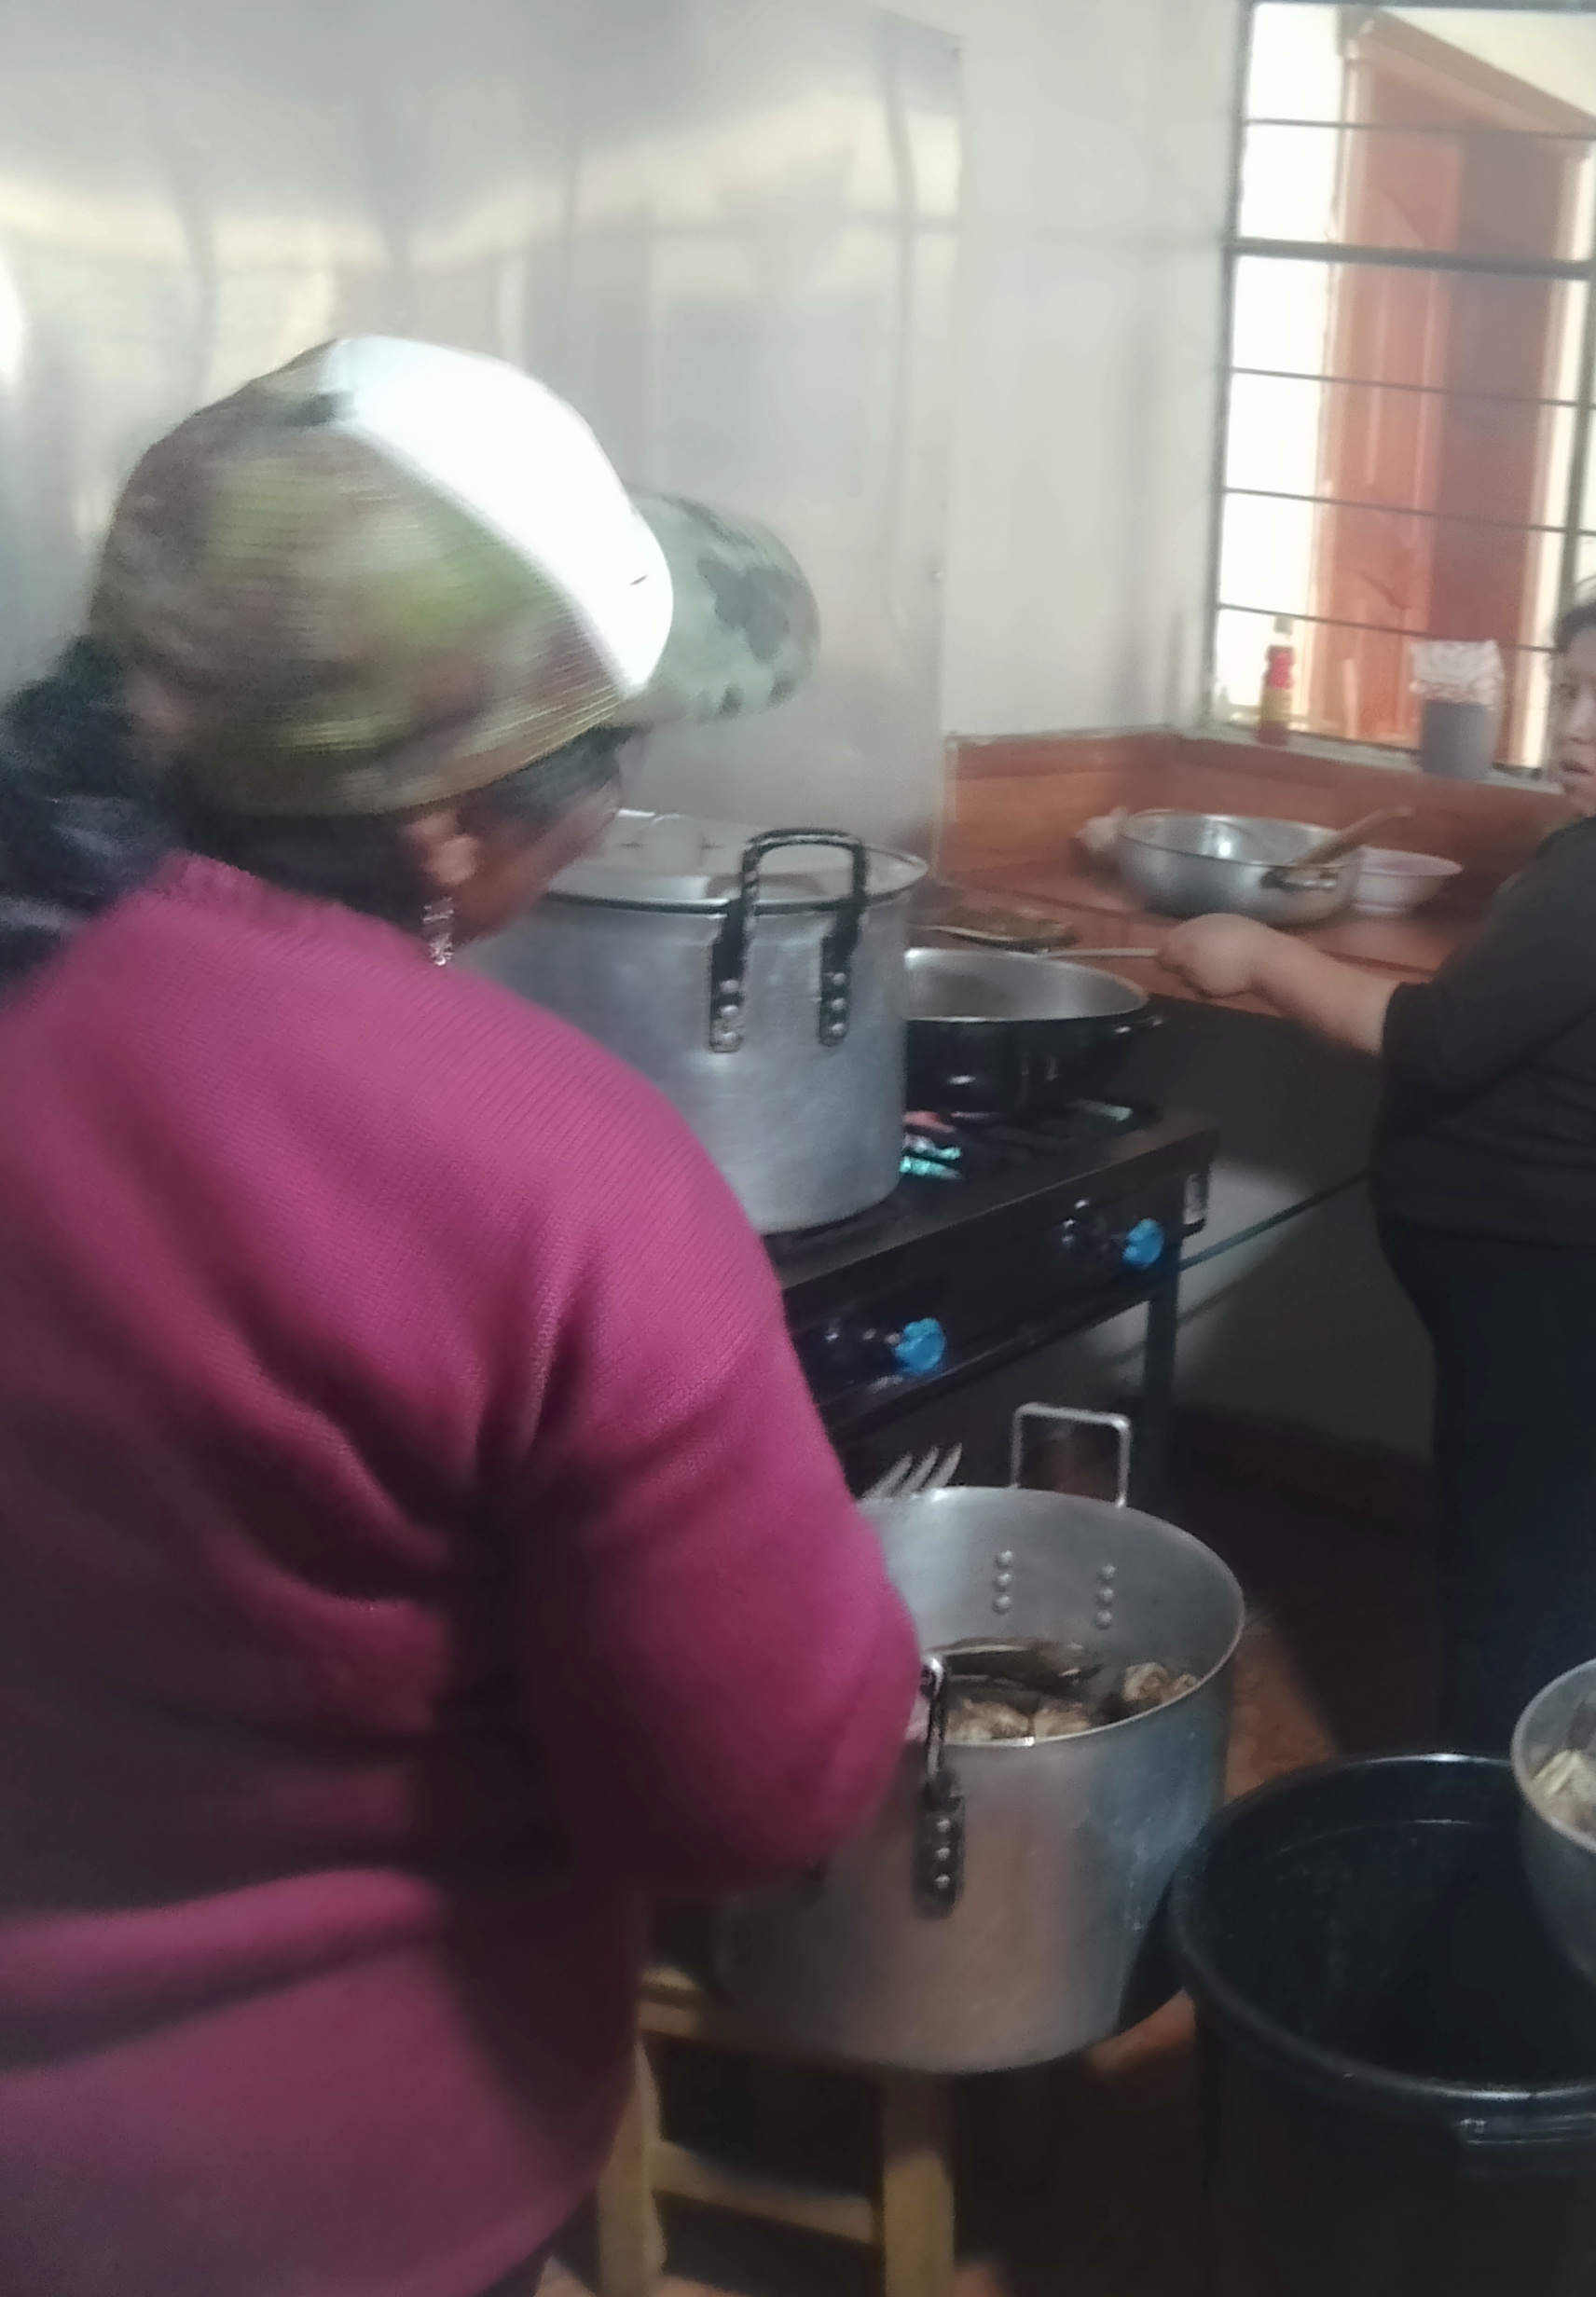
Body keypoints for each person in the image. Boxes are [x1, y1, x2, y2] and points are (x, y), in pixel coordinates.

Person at [0, 338, 921, 2297]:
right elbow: (749, 1788)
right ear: (444, 826)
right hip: (304, 2197)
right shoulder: (550, 1176)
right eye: (611, 758)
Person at [1159, 570, 1596, 1751]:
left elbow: (1436, 1037)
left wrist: (1256, 952)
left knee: (1508, 1579)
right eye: (1568, 694)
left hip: (1548, 1284)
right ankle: (1553, 1774)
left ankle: (1494, 1811)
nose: (1573, 728)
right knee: (1541, 1542)